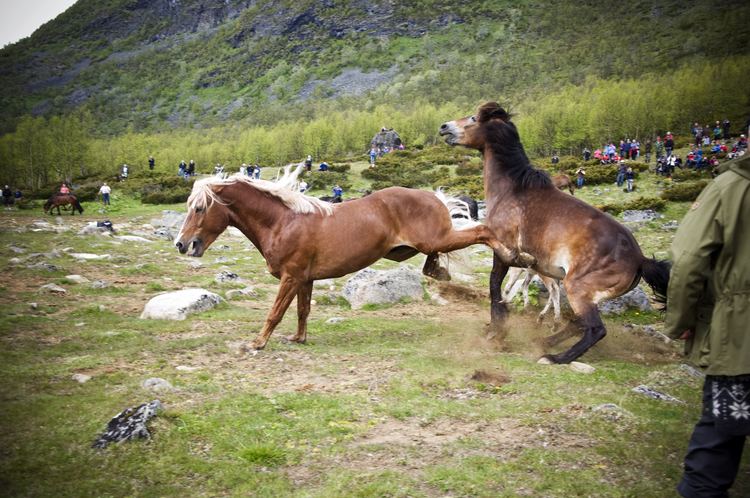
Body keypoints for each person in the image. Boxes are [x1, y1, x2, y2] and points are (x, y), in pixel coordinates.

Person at [665, 154, 750, 498]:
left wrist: (681, 321)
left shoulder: (730, 187)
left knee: (717, 442)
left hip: (740, 338)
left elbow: (687, 262)